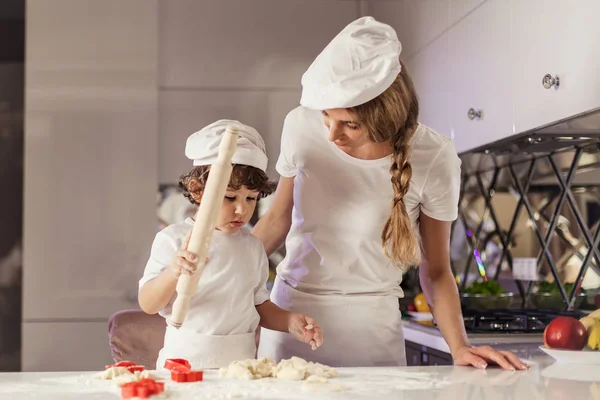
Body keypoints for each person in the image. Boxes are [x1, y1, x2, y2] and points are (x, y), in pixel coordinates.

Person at [253, 17, 527, 371]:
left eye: (351, 124)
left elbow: (438, 271)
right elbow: (276, 219)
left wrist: (460, 347)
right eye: (326, 116)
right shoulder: (300, 126)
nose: (332, 134)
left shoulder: (435, 157)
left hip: (373, 334)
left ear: (387, 116)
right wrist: (222, 264)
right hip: (292, 322)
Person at [138, 120, 323, 369]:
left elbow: (259, 306)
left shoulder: (252, 247)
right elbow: (148, 304)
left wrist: (290, 321)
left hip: (241, 365)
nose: (241, 209)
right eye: (229, 197)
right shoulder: (173, 239)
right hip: (185, 362)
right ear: (197, 190)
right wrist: (174, 272)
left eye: (251, 199)